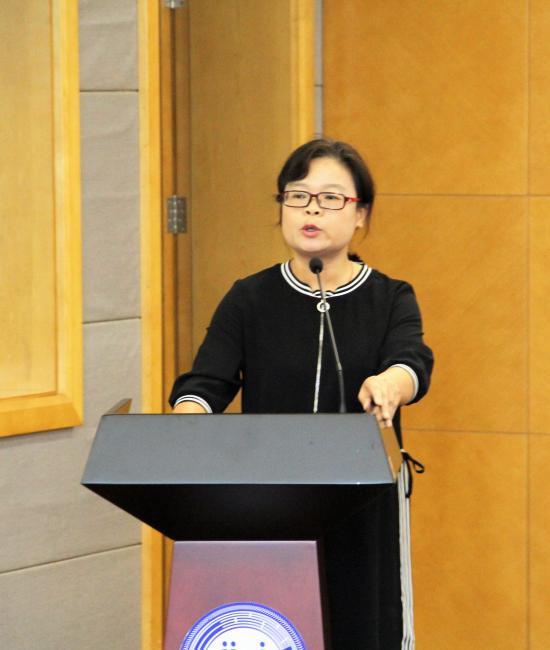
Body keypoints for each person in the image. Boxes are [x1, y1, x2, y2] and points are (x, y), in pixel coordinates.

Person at [169, 139, 434, 649]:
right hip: (267, 502)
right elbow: (205, 385)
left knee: (360, 628)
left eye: (331, 198)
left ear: (360, 214)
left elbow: (412, 362)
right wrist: (187, 418)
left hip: (362, 502)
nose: (311, 209)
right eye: (298, 196)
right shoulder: (249, 298)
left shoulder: (389, 297)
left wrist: (390, 384)